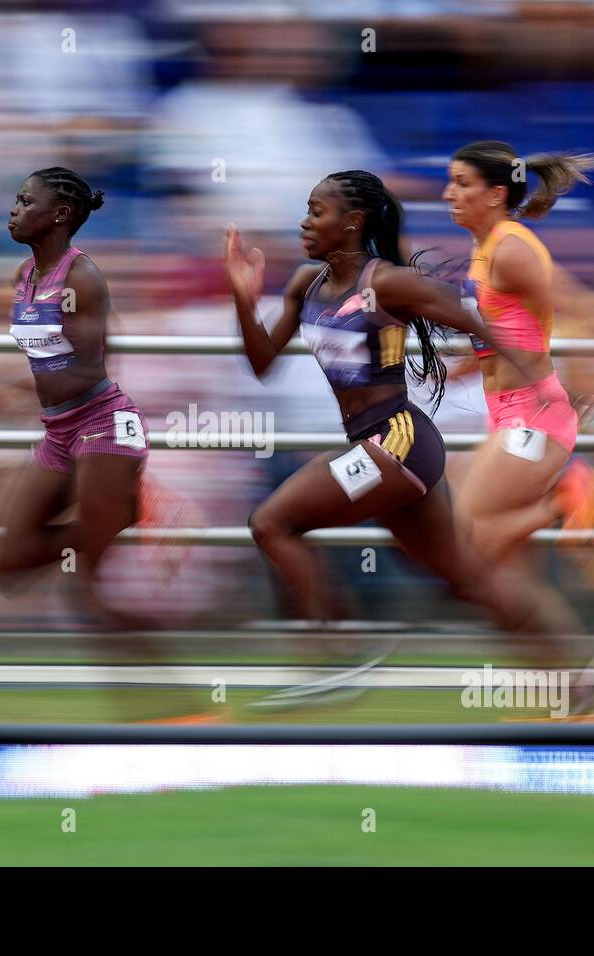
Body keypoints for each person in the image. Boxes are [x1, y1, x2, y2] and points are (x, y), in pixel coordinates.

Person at [225, 169, 573, 701]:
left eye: (318, 211)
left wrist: (541, 392)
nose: (305, 221)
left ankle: (332, 659)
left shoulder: (385, 283)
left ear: (352, 222)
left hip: (399, 442)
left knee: (271, 522)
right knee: (468, 580)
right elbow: (261, 363)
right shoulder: (306, 284)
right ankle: (579, 678)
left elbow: (483, 326)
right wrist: (244, 302)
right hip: (379, 448)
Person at [442, 141, 594, 589]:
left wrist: (591, 382)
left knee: (468, 543)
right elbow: (513, 331)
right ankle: (552, 657)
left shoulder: (511, 249)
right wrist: (468, 367)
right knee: (506, 567)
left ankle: (572, 495)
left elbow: (577, 307)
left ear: (495, 194)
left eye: (460, 183)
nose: (447, 194)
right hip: (511, 413)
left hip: (531, 418)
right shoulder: (487, 250)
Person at [0, 167, 152, 628]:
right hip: (58, 429)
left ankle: (171, 696)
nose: (14, 210)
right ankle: (118, 519)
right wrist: (7, 392)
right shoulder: (24, 274)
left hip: (100, 424)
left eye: (27, 202)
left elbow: (89, 368)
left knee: (88, 592)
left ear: (61, 215)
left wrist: (11, 396)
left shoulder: (81, 278)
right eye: (16, 199)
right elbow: (51, 362)